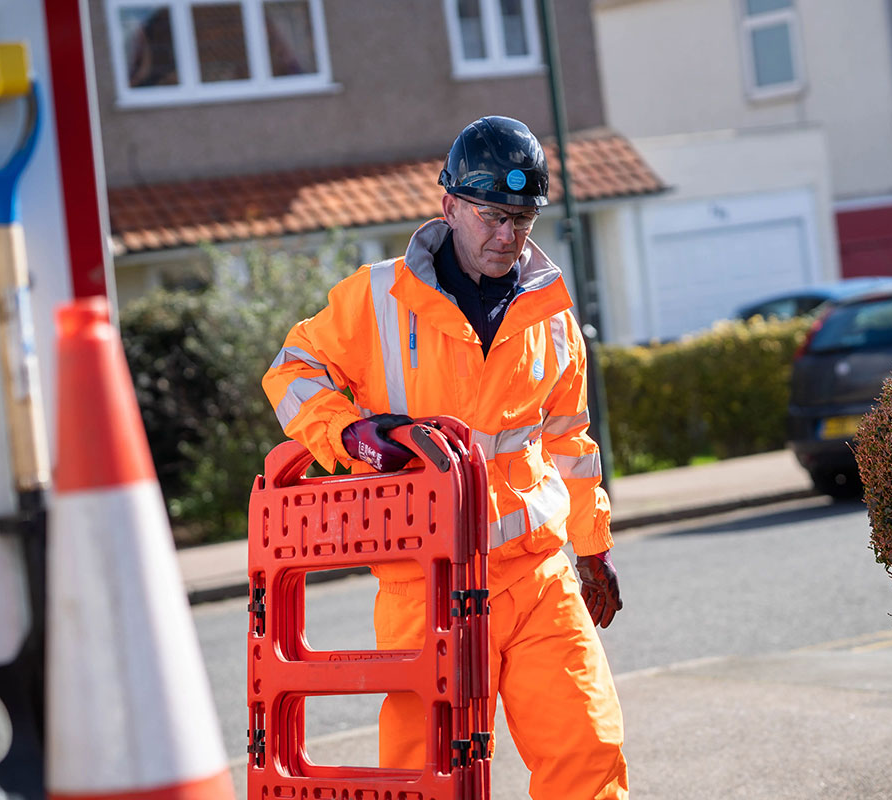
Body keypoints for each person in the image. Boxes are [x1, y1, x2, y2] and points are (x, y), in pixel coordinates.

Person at [262, 115, 628, 798]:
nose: (506, 236)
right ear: (450, 206)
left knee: (588, 752)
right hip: (426, 588)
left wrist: (594, 548)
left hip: (538, 577)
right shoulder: (376, 298)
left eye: (522, 220)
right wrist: (349, 435)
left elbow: (571, 443)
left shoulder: (550, 314)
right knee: (427, 777)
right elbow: (291, 371)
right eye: (492, 215)